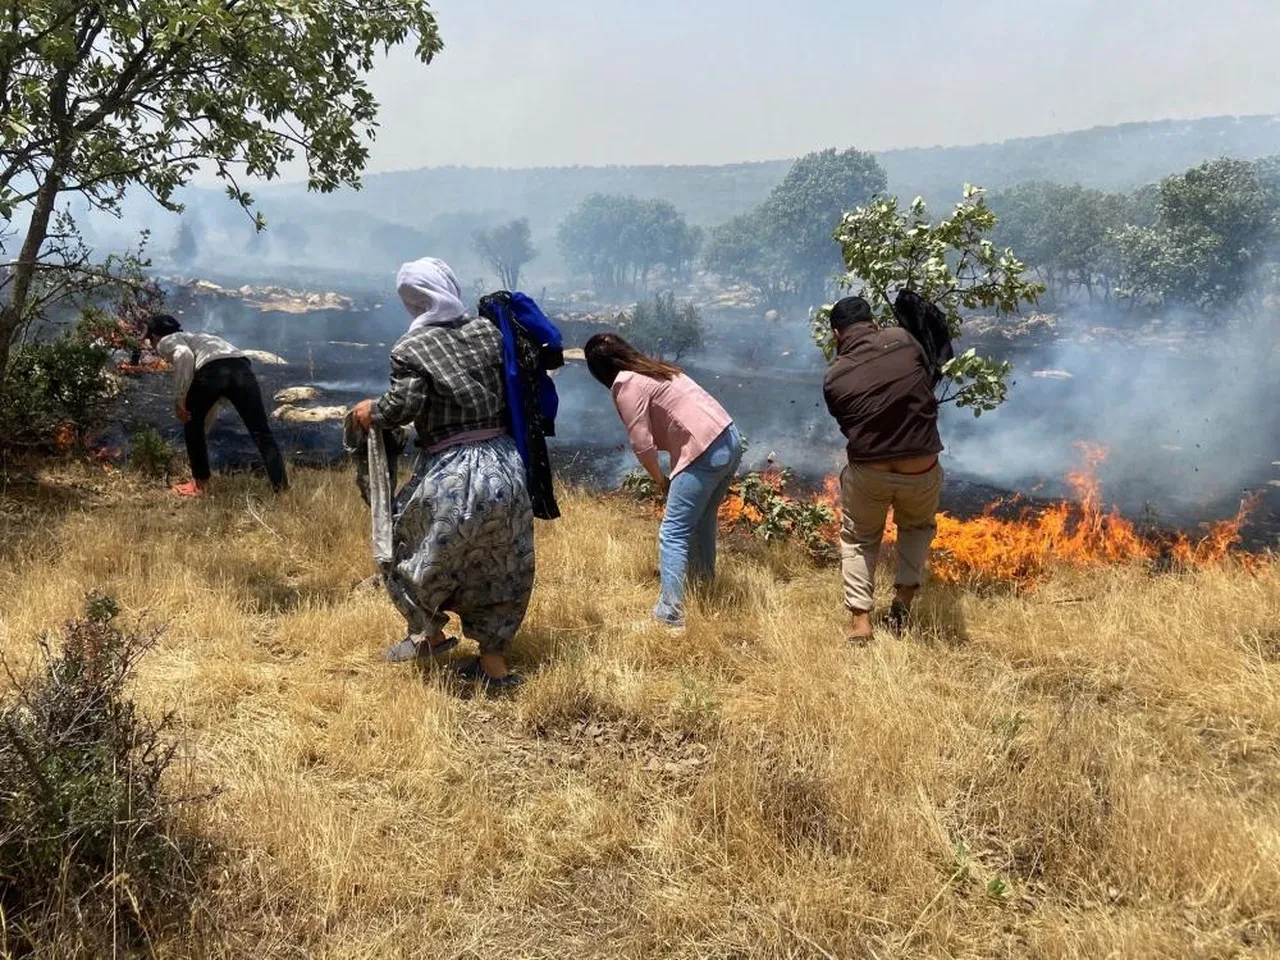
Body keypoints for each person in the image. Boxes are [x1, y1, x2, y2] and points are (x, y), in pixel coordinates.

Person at [350, 257, 534, 688]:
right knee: (500, 566)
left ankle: (428, 634)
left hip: (454, 474)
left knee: (399, 547)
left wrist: (368, 412)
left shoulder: (410, 348)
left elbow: (402, 408)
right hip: (506, 466)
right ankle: (494, 669)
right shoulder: (488, 332)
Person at [584, 333, 743, 629]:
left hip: (705, 450)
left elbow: (642, 444)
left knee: (673, 532)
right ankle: (702, 587)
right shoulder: (657, 369)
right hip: (729, 439)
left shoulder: (626, 384)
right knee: (703, 519)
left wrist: (660, 480)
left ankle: (670, 616)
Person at [822, 296, 944, 643]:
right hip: (921, 467)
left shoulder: (834, 377)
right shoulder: (905, 340)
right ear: (872, 323)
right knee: (917, 528)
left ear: (836, 333)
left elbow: (849, 424)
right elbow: (926, 376)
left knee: (859, 539)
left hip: (870, 471)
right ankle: (902, 605)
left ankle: (861, 622)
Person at [145, 314, 288, 497]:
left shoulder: (166, 341)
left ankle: (199, 484)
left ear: (155, 336)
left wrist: (180, 399)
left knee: (191, 424)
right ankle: (281, 488)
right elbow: (213, 397)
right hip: (242, 369)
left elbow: (183, 355)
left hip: (213, 370)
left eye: (151, 339)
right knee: (261, 431)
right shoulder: (201, 337)